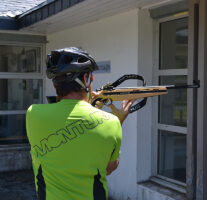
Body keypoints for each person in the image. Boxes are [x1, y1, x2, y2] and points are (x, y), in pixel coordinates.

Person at [26, 47, 134, 200]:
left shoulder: (33, 114)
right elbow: (109, 168)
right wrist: (118, 120)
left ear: (55, 85)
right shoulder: (111, 123)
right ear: (85, 79)